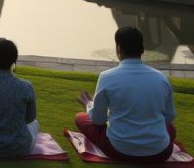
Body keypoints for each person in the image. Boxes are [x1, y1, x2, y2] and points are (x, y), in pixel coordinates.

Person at [74, 27, 177, 163]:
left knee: (80, 118)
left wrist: (89, 105)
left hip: (120, 149)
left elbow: (98, 120)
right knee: (170, 129)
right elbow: (169, 117)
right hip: (160, 152)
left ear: (119, 49)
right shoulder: (161, 78)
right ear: (142, 50)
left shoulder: (107, 77)